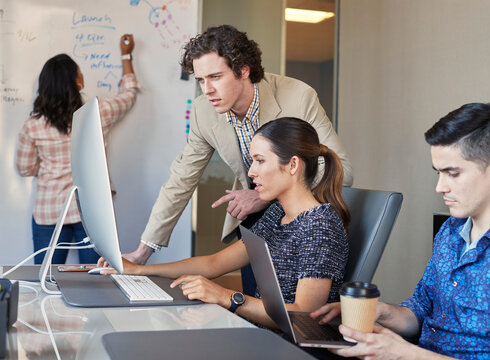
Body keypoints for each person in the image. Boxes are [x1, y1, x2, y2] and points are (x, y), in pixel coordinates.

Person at [311, 103, 490, 359]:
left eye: (452, 174)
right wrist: (380, 312)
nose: (440, 187)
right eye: (438, 173)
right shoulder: (452, 230)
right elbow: (422, 308)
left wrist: (403, 353)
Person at [124, 25, 353, 267]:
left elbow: (342, 170)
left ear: (243, 70)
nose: (207, 90)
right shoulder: (203, 111)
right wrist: (143, 251)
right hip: (254, 221)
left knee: (288, 301)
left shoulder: (298, 96)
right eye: (201, 80)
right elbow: (180, 180)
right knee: (254, 294)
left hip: (304, 220)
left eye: (215, 77)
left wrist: (261, 195)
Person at [100, 117, 350, 328]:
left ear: (293, 165)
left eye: (260, 160)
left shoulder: (320, 226)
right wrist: (138, 270)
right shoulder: (276, 215)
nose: (251, 172)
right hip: (264, 337)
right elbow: (214, 263)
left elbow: (302, 316)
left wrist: (224, 296)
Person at [16, 34, 139, 265]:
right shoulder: (97, 112)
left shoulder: (33, 125)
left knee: (45, 277)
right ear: (76, 81)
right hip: (91, 210)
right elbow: (129, 95)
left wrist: (51, 167)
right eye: (79, 72)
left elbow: (24, 168)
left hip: (49, 210)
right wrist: (126, 55)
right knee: (96, 276)